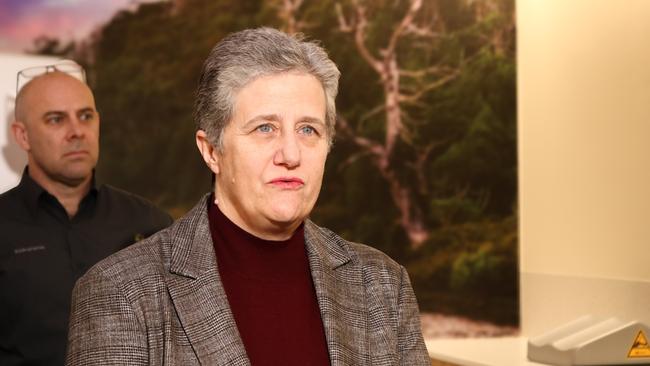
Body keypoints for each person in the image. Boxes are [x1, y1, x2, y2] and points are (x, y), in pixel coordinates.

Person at [66, 28, 429, 365]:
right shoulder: (120, 292)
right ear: (211, 151)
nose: (290, 154)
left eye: (308, 129)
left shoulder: (382, 284)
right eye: (265, 128)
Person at [0, 61, 173, 366]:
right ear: (22, 136)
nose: (76, 131)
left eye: (85, 116)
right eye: (56, 120)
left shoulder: (149, 223)